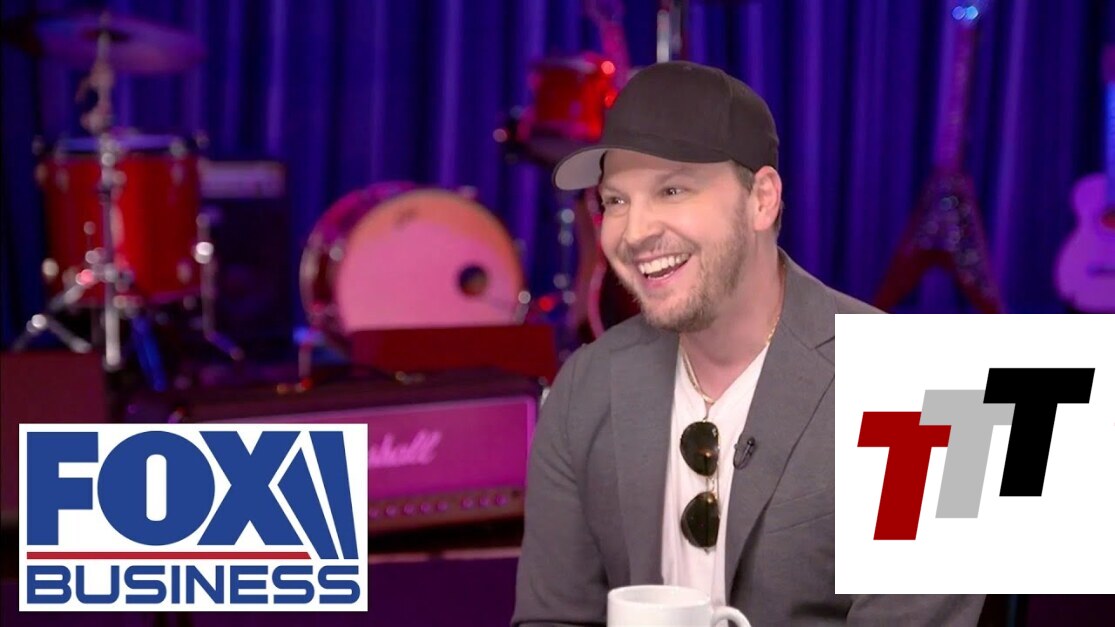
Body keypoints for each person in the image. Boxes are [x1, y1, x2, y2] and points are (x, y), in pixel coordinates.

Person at [511, 61, 985, 625]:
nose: (634, 233)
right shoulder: (585, 386)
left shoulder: (924, 389)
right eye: (615, 201)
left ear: (761, 199)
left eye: (672, 190)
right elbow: (553, 617)